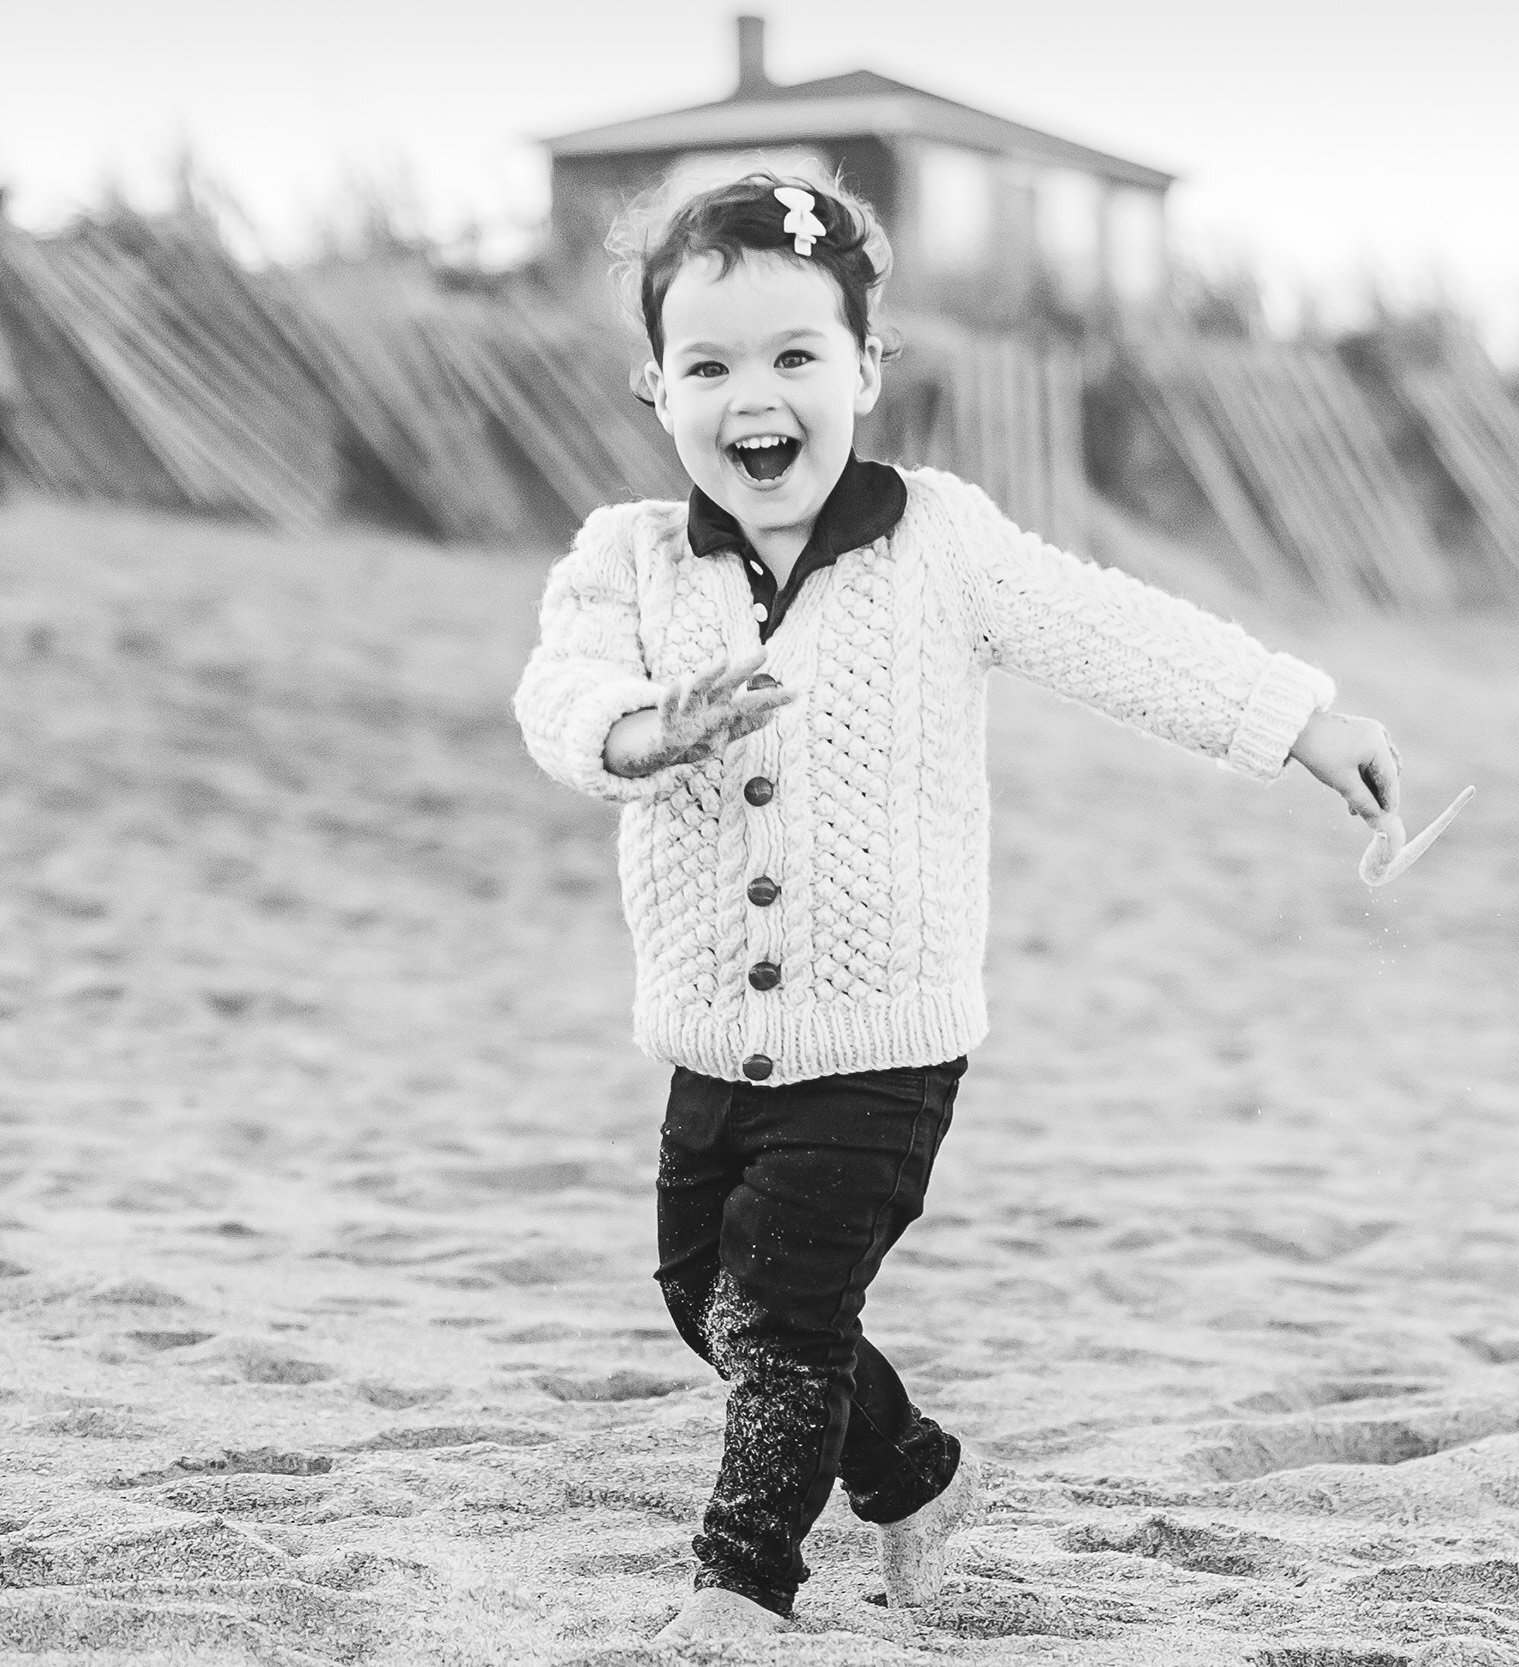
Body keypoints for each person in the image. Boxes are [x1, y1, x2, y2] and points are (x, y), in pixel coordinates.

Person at [512, 173, 1402, 1643]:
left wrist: (1298, 714)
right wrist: (638, 727)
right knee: (705, 1298)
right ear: (655, 383)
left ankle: (741, 1585)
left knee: (786, 1310)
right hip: (711, 1032)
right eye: (714, 363)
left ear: (867, 367)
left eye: (799, 355)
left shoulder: (943, 543)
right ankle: (914, 1472)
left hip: (887, 1034)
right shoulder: (629, 558)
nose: (758, 394)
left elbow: (1119, 631)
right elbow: (557, 687)